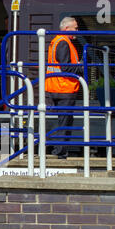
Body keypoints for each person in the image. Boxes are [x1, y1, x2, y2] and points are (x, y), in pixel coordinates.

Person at [45, 16, 83, 158]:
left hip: (58, 86)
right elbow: (66, 67)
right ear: (67, 28)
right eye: (76, 28)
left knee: (64, 119)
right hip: (63, 87)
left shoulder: (59, 41)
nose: (77, 31)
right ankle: (59, 151)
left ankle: (61, 150)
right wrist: (81, 68)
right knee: (64, 119)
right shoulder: (63, 43)